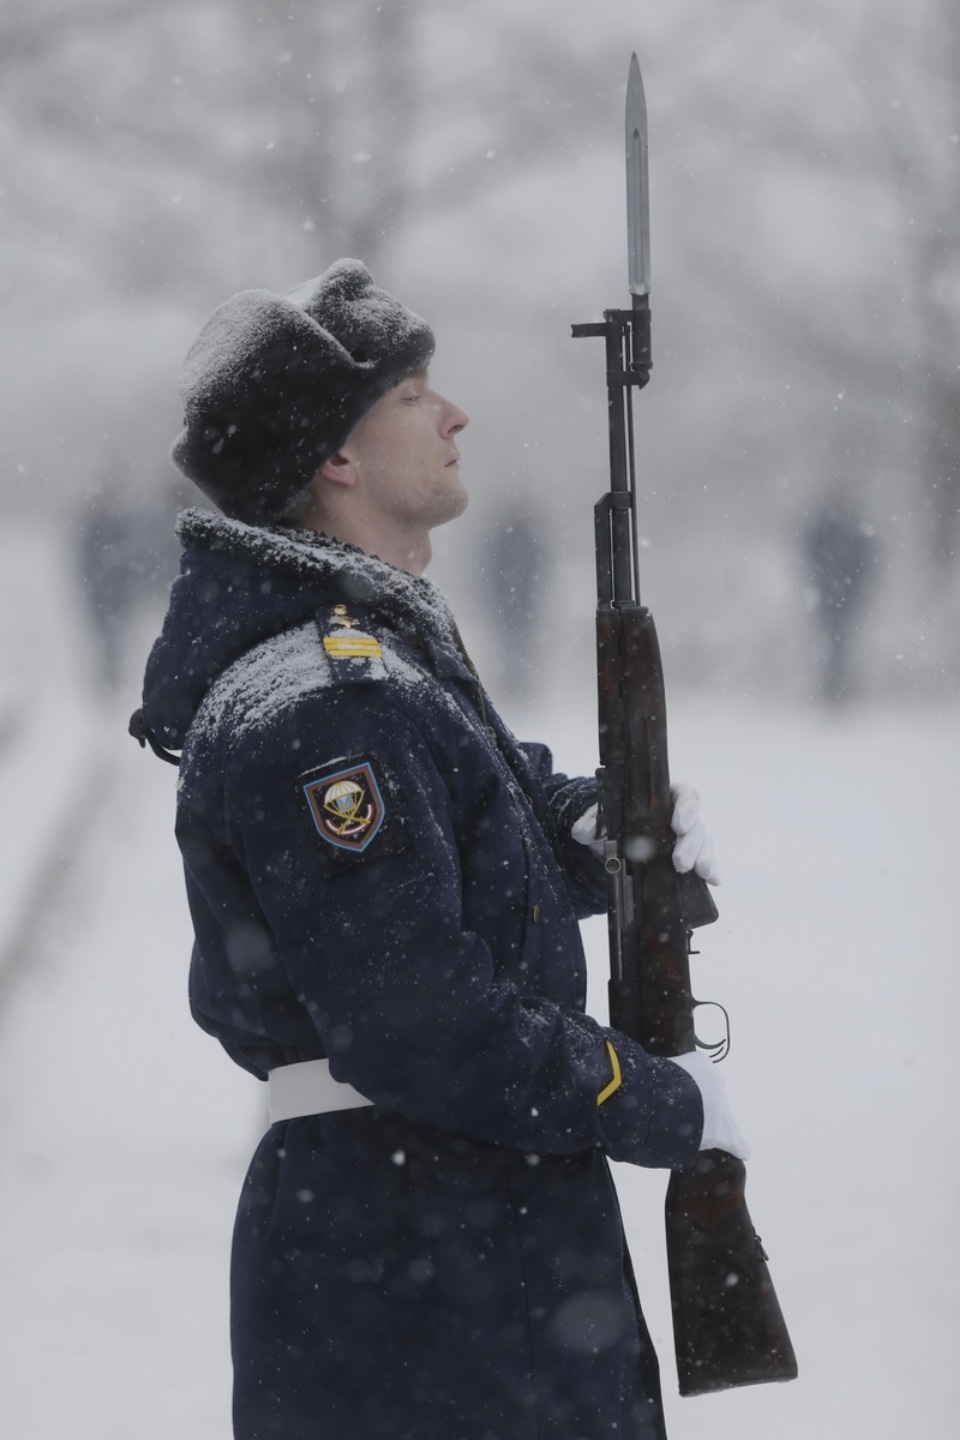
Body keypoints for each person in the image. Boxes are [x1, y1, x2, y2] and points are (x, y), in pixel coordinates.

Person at [132, 259, 745, 1440]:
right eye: (415, 393)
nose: (455, 413)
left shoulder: (366, 664)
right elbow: (417, 1015)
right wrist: (645, 1095)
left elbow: (467, 843)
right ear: (337, 460)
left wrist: (589, 829)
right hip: (418, 1252)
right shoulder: (330, 701)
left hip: (438, 1228)